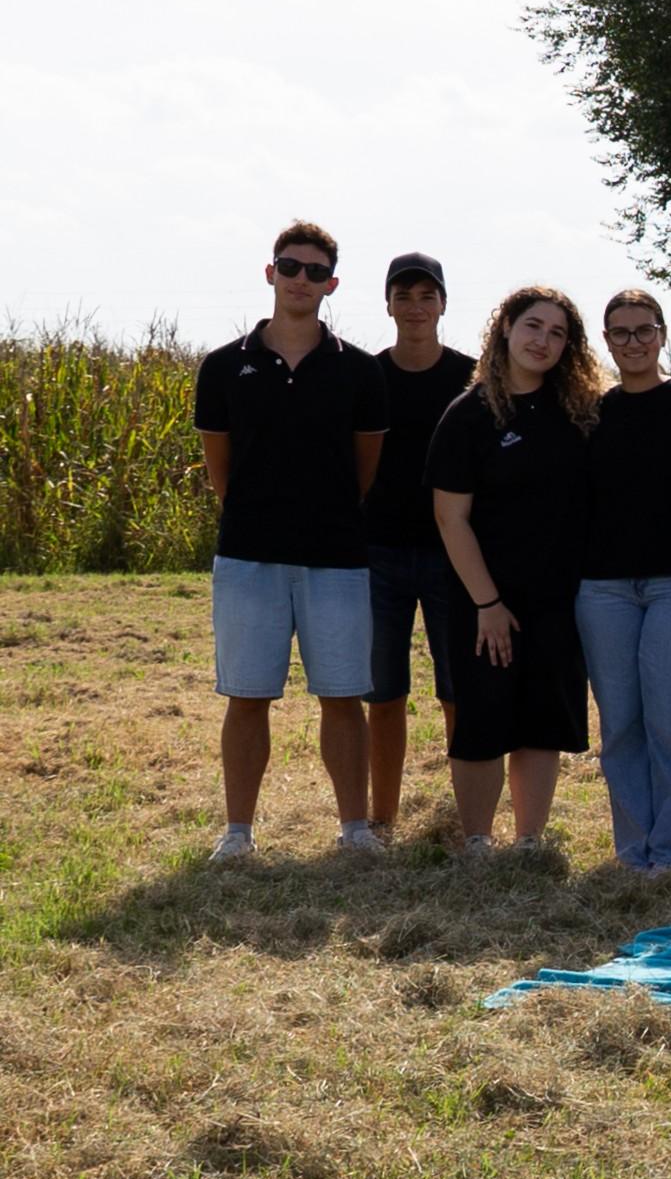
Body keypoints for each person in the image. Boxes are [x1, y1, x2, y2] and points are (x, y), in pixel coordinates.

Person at [194, 221, 390, 861]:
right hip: (248, 556)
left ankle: (355, 832)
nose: (300, 278)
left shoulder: (359, 372)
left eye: (314, 271)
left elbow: (364, 468)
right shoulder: (224, 367)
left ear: (332, 284)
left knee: (342, 695)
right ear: (270, 272)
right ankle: (238, 834)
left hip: (336, 557)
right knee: (247, 695)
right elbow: (221, 471)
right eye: (290, 266)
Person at [427, 286, 604, 853]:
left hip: (556, 599)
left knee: (541, 719)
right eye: (533, 326)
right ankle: (477, 841)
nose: (543, 341)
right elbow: (451, 519)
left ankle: (530, 840)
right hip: (483, 601)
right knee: (481, 720)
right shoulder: (469, 414)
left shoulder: (578, 411)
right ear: (504, 328)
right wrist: (487, 604)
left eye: (557, 333)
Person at [576, 289, 671, 872]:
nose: (633, 343)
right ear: (605, 342)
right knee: (621, 728)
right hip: (603, 586)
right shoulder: (589, 411)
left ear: (663, 334)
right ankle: (635, 854)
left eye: (644, 331)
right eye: (620, 333)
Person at [361, 251, 474, 836]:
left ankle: (464, 816)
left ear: (443, 305)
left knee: (458, 691)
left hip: (453, 557)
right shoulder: (366, 375)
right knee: (383, 694)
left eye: (426, 296)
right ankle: (381, 818)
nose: (414, 307)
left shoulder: (473, 377)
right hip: (377, 554)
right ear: (387, 305)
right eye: (403, 296)